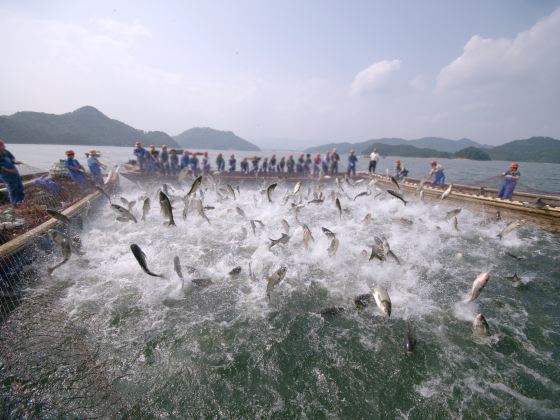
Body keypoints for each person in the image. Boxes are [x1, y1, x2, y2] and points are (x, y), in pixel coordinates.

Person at [0, 140, 25, 205]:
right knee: (13, 189)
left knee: (20, 187)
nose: (4, 147)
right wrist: (11, 171)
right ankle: (14, 204)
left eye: (3, 145)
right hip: (6, 175)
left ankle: (21, 202)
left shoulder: (5, 151)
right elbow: (2, 169)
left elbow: (12, 158)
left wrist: (16, 161)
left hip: (14, 173)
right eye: (2, 146)